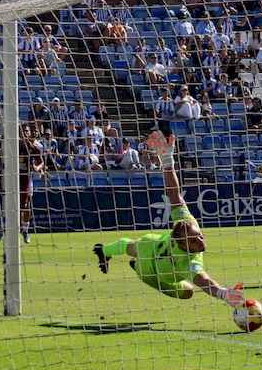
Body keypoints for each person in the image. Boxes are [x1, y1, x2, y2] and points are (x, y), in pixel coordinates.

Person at [93, 131, 246, 305]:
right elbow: (205, 283)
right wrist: (223, 294)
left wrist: (167, 162)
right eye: (195, 240)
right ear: (184, 246)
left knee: (132, 247)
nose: (201, 240)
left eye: (199, 235)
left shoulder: (187, 223)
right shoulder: (188, 263)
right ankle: (135, 266)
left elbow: (174, 194)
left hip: (150, 244)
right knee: (187, 292)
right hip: (150, 271)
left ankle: (103, 250)